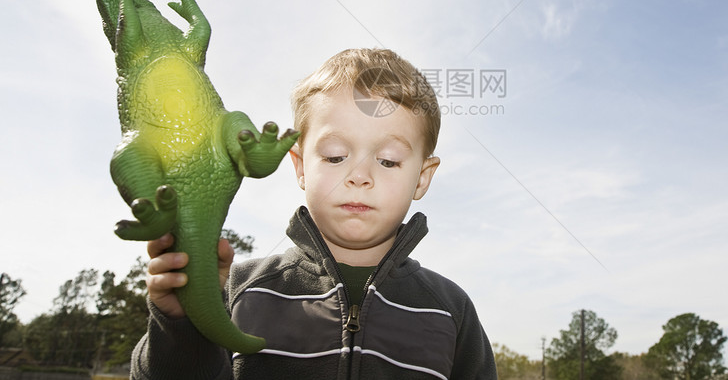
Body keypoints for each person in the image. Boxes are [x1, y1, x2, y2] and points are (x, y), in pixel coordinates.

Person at [132, 48, 498, 379]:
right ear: (300, 166)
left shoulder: (450, 311)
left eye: (387, 160)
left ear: (422, 177)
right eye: (336, 156)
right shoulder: (237, 290)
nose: (359, 176)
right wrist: (184, 324)